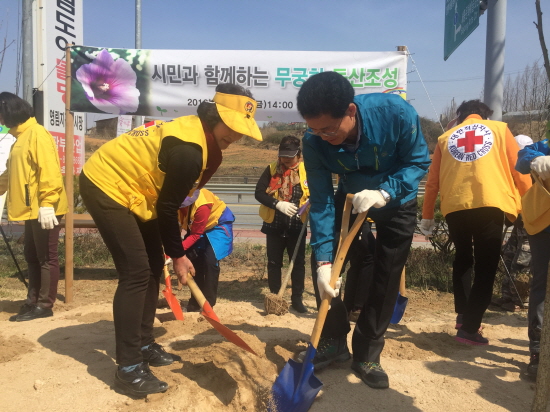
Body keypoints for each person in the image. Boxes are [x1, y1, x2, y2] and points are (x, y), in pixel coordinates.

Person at [79, 83, 262, 397]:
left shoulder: (202, 140)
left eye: (241, 130)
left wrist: (172, 250)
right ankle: (128, 368)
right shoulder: (189, 150)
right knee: (136, 272)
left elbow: (171, 202)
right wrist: (178, 256)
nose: (236, 136)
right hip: (107, 184)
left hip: (141, 193)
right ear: (215, 116)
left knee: (153, 266)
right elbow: (166, 208)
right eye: (231, 126)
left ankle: (144, 343)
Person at [296, 71, 431, 389]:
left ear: (350, 111)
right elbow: (321, 202)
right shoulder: (313, 141)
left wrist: (386, 192)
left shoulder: (395, 113)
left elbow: (417, 162)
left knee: (386, 275)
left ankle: (367, 353)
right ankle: (333, 340)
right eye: (315, 129)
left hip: (396, 198)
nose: (322, 136)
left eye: (329, 129)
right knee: (326, 268)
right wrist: (324, 261)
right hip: (351, 198)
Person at [421, 100, 531, 346]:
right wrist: (530, 204)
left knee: (462, 258)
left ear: (460, 116)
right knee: (486, 266)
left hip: (455, 206)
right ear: (485, 115)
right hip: (490, 203)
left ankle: (463, 316)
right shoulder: (500, 129)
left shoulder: (445, 138)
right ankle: (470, 329)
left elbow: (432, 181)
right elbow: (520, 170)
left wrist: (427, 215)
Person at [0, 92, 67, 322]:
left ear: (9, 111)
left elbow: (49, 171)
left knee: (46, 257)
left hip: (45, 209)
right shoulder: (20, 137)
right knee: (32, 255)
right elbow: (11, 173)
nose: (0, 120)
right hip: (31, 209)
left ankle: (45, 305)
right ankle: (33, 300)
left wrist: (48, 203)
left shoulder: (37, 134)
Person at [255, 135, 309, 313]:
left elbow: (316, 192)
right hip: (274, 225)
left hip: (296, 226)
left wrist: (311, 202)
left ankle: (297, 299)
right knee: (273, 263)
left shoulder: (306, 170)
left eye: (290, 156)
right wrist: (277, 204)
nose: (285, 159)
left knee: (298, 263)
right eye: (283, 155)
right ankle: (275, 298)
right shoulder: (271, 169)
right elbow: (259, 193)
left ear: (298, 154)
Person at [515, 137, 550, 378]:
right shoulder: (546, 145)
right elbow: (521, 161)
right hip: (543, 224)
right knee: (541, 283)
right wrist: (536, 160)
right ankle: (537, 350)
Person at [178, 188, 234, 311]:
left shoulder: (202, 204)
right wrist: (171, 248)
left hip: (217, 224)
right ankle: (195, 302)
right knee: (194, 260)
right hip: (196, 227)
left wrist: (176, 251)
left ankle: (208, 304)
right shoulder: (173, 203)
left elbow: (195, 235)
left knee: (210, 262)